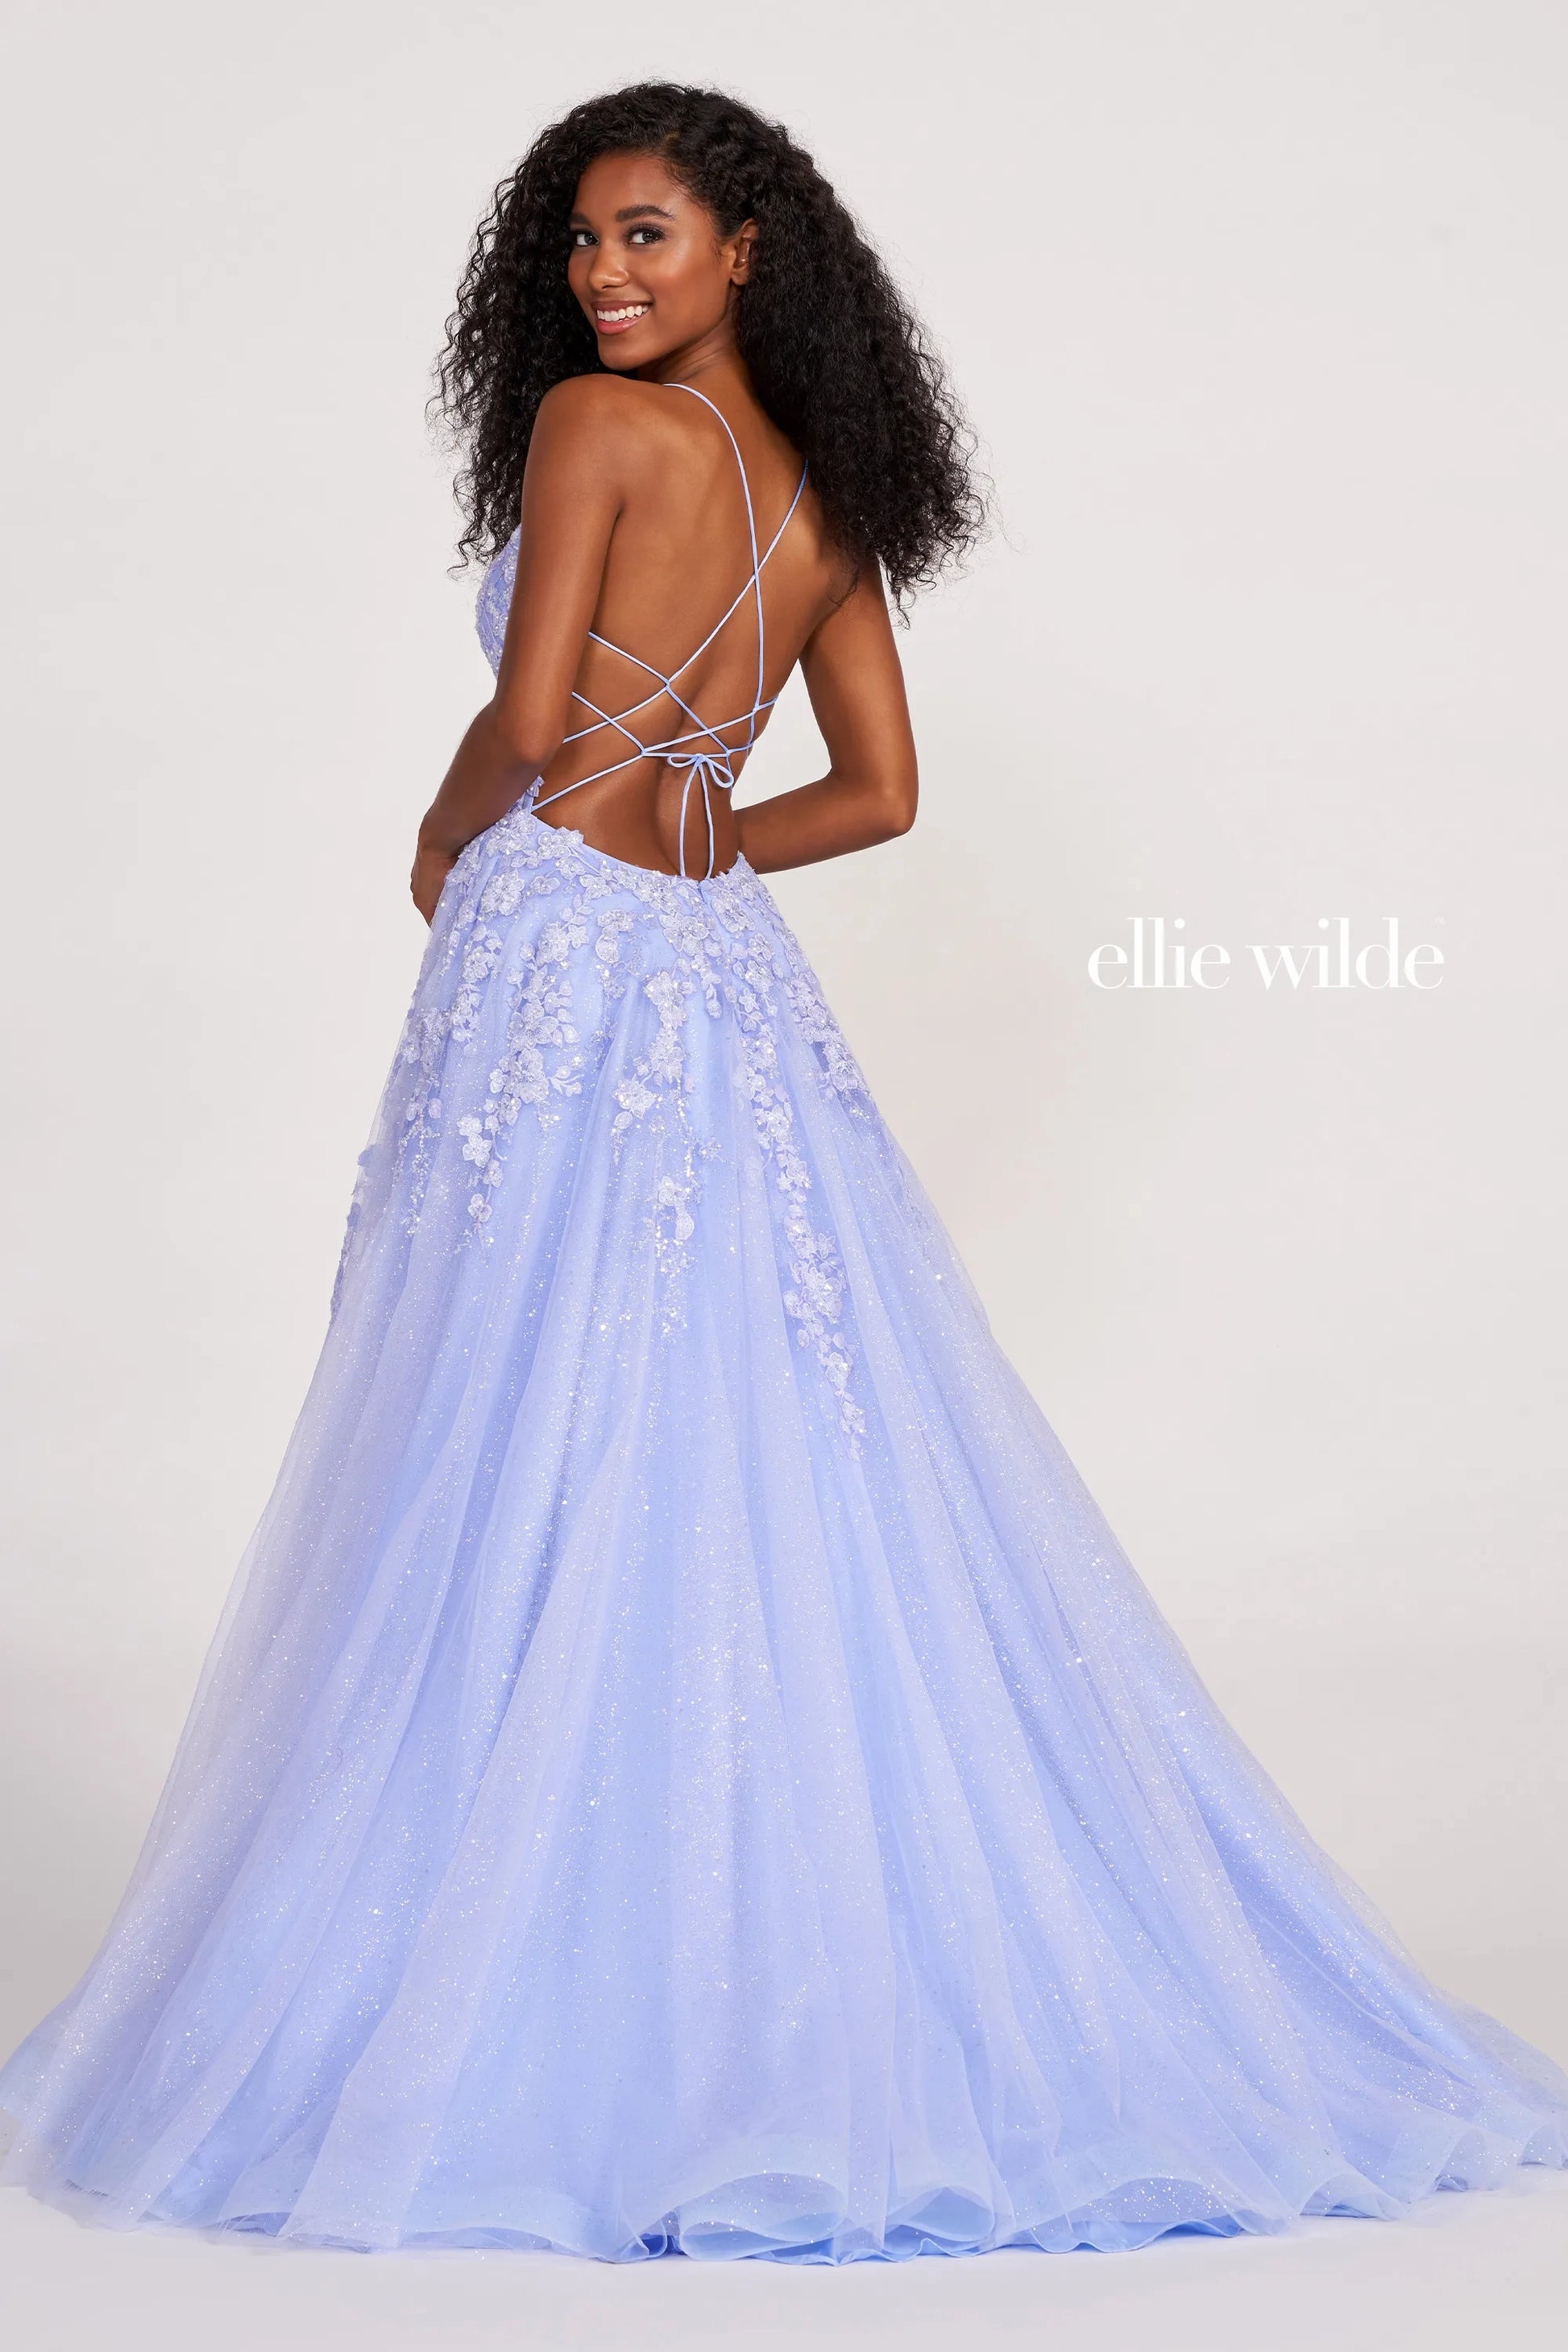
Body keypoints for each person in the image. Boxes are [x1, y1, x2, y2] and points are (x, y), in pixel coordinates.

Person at [2, 81, 1562, 2263]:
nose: (601, 276)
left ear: (745, 247)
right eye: (579, 242)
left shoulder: (591, 431)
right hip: (715, 976)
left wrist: (445, 840)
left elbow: (532, 718)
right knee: (722, 1415)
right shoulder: (830, 501)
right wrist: (709, 823)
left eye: (643, 233)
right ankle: (705, 1961)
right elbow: (882, 789)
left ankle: (505, 1970)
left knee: (491, 1410)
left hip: (557, 944)